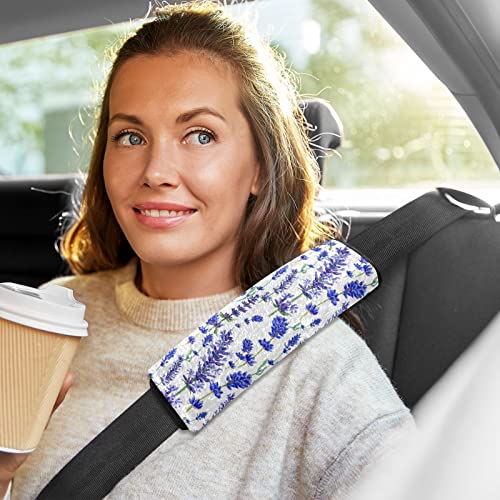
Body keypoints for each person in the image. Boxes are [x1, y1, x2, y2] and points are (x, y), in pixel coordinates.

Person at [1, 2, 415, 498]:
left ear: (261, 166)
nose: (156, 170)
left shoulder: (320, 370)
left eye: (200, 135)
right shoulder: (52, 316)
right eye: (130, 136)